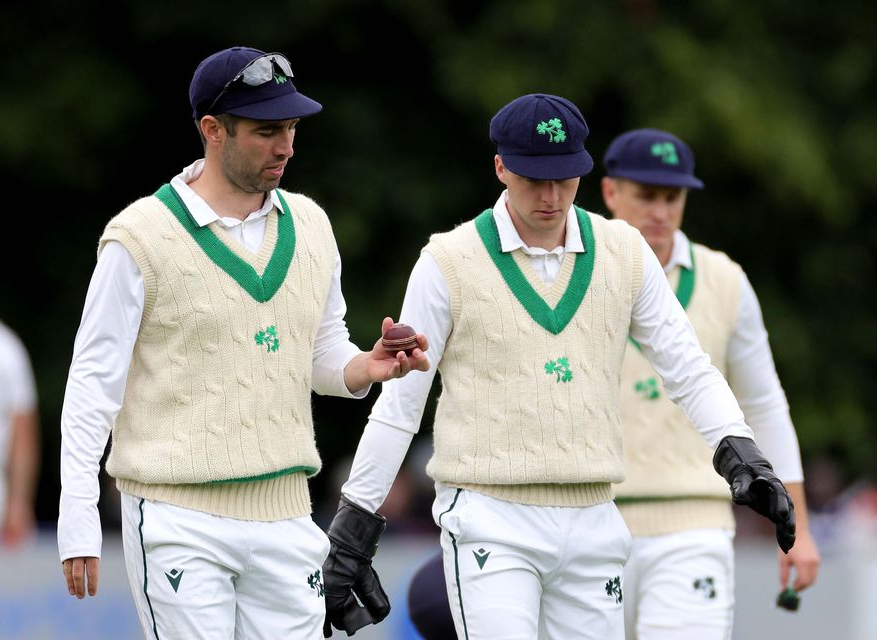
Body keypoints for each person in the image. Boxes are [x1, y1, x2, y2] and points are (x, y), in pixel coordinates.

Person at [320, 93, 796, 639]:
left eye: (564, 179)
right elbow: (401, 405)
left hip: (594, 515)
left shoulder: (625, 251)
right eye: (532, 178)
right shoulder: (447, 261)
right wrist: (354, 524)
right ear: (500, 167)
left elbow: (687, 368)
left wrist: (741, 452)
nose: (550, 197)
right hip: (488, 516)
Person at [56, 45, 429, 640]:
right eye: (265, 131)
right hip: (177, 515)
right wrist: (77, 519)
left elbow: (321, 354)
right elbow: (91, 386)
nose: (285, 146)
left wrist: (367, 366)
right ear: (212, 131)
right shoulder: (140, 238)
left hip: (287, 513)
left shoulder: (311, 224)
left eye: (291, 128)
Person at [600, 127, 820, 639]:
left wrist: (800, 529)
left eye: (672, 196)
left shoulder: (724, 279)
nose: (660, 210)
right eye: (646, 194)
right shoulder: (570, 272)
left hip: (695, 524)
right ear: (610, 192)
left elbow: (764, 405)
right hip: (588, 523)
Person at [0, 316, 40, 549]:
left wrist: (18, 503)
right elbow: (23, 435)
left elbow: (22, 434)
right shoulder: (6, 348)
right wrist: (19, 502)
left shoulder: (6, 350)